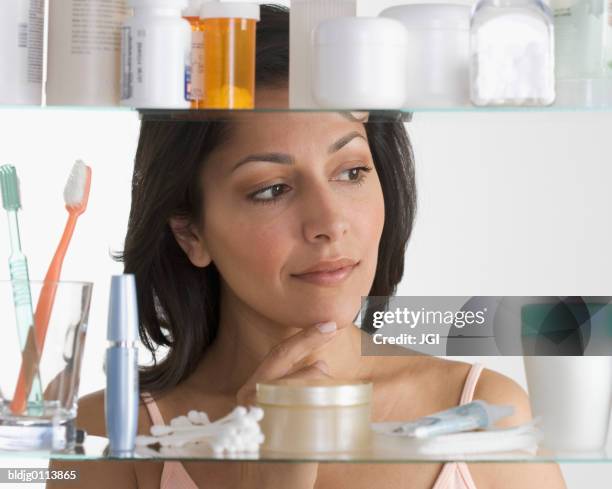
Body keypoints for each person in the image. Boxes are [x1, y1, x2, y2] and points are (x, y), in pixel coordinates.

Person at [49, 5, 566, 489]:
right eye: (271, 189)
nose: (330, 223)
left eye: (352, 171)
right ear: (191, 233)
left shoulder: (483, 412)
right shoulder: (104, 432)